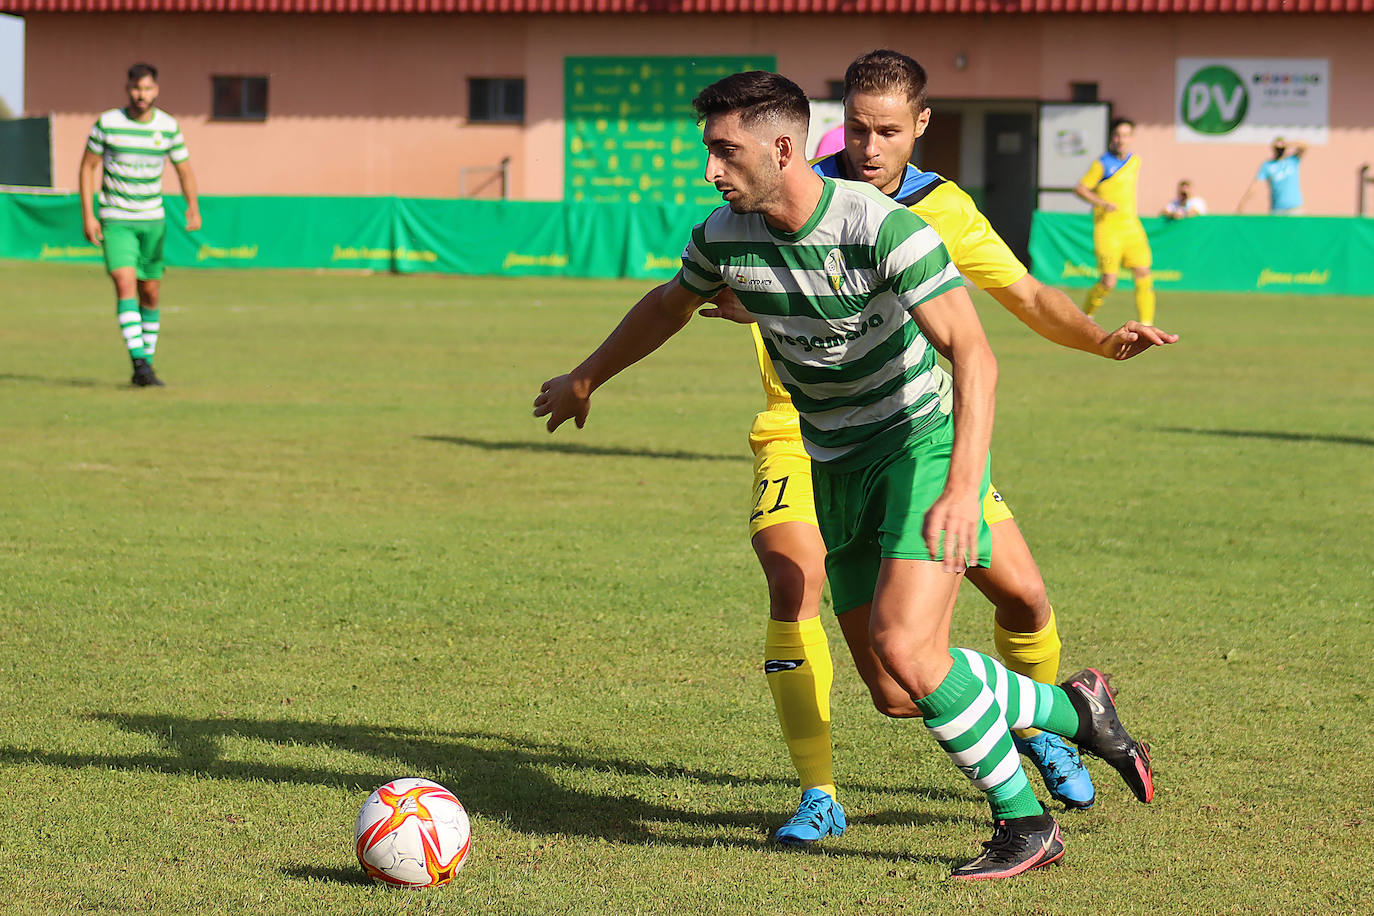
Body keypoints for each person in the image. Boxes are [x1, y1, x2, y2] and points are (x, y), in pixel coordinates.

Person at [535, 70, 1154, 880]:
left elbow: (975, 353)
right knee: (898, 691)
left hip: (917, 448)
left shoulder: (883, 228)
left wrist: (965, 485)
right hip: (834, 466)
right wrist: (587, 376)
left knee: (910, 644)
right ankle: (1076, 708)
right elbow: (668, 304)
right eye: (710, 152)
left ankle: (1025, 824)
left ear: (781, 147)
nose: (712, 170)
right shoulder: (724, 235)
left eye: (725, 152)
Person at [699, 50, 1176, 848]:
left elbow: (1021, 294)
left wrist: (1099, 339)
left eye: (887, 130)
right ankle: (819, 794)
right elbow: (719, 279)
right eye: (854, 128)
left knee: (1020, 599)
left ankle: (1050, 727)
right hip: (802, 431)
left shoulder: (941, 210)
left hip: (921, 435)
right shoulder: (781, 184)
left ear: (921, 126)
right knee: (798, 580)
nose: (867, 146)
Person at [79, 62, 201, 388]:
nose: (141, 95)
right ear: (127, 88)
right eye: (136, 89)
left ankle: (146, 362)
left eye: (147, 89)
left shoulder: (168, 127)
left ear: (156, 90)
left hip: (153, 220)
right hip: (116, 217)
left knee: (151, 291)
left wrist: (193, 206)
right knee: (124, 282)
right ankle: (139, 362)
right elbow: (87, 168)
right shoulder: (108, 123)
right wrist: (89, 215)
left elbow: (184, 169)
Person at [1074, 118, 1154, 325]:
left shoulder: (1134, 161)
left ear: (1131, 138)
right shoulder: (1101, 164)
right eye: (1118, 135)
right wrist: (1101, 202)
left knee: (1144, 273)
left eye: (1126, 135)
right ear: (1112, 138)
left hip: (1132, 228)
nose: (1122, 140)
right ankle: (1086, 316)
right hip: (1108, 229)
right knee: (1109, 281)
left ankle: (1146, 324)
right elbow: (1080, 188)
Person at [1237, 137, 1307, 215]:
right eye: (1277, 148)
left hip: (1294, 208)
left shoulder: (1292, 160)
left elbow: (1305, 145)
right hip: (1277, 209)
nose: (1279, 150)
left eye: (1281, 148)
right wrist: (1243, 203)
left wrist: (1287, 143)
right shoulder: (1268, 165)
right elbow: (1255, 185)